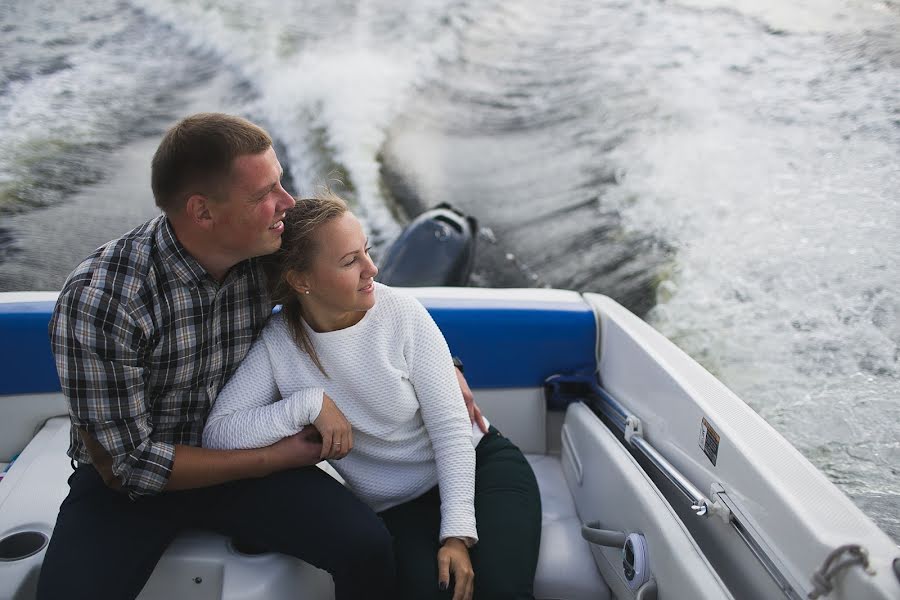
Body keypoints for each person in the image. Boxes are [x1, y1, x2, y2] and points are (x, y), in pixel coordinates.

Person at [39, 112, 485, 600]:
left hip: (247, 456)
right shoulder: (103, 302)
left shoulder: (267, 246)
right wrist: (273, 457)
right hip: (131, 491)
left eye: (281, 183)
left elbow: (360, 293)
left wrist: (445, 368)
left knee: (366, 547)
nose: (286, 205)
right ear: (203, 213)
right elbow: (129, 466)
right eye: (263, 194)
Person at [203, 192, 543, 600]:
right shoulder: (279, 343)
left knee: (502, 592)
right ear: (301, 280)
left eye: (366, 251)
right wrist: (308, 404)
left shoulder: (401, 313)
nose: (372, 269)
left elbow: (453, 431)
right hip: (396, 510)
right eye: (350, 261)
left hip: (481, 472)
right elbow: (220, 434)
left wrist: (456, 536)